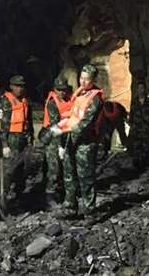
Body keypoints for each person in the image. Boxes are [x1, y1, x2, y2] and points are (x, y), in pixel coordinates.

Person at [50, 64, 103, 220]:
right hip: (71, 140)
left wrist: (63, 129)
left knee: (85, 178)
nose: (83, 82)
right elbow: (73, 114)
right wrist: (61, 123)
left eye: (87, 79)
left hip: (85, 143)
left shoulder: (95, 99)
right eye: (81, 78)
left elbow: (85, 123)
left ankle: (90, 212)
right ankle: (70, 208)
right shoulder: (79, 94)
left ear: (93, 80)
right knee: (69, 174)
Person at [0, 75, 34, 198]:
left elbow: (29, 121)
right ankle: (5, 194)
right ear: (11, 86)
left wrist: (31, 138)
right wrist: (4, 144)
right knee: (10, 168)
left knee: (22, 167)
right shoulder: (6, 101)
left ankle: (19, 193)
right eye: (17, 86)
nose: (20, 89)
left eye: (22, 86)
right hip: (11, 138)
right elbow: (3, 124)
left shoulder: (25, 100)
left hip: (23, 137)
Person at [42, 78, 72, 207]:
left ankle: (62, 192)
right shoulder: (52, 103)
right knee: (53, 168)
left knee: (66, 167)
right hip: (53, 137)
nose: (62, 93)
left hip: (66, 136)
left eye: (64, 90)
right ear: (55, 90)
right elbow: (55, 125)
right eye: (59, 90)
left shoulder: (69, 100)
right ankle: (50, 196)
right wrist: (60, 146)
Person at [128, 81, 149, 171]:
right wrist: (131, 126)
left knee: (146, 147)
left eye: (142, 88)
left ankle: (147, 165)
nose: (141, 90)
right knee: (136, 147)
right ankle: (137, 166)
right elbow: (131, 116)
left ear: (145, 89)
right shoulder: (134, 102)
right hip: (136, 128)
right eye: (139, 88)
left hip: (146, 128)